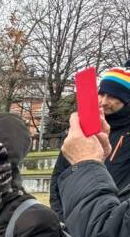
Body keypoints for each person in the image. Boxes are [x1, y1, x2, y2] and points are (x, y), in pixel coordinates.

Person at [50, 65, 130, 216]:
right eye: (102, 94)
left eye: (113, 96)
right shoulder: (84, 128)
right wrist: (60, 215)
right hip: (72, 220)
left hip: (110, 223)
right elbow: (60, 173)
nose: (104, 101)